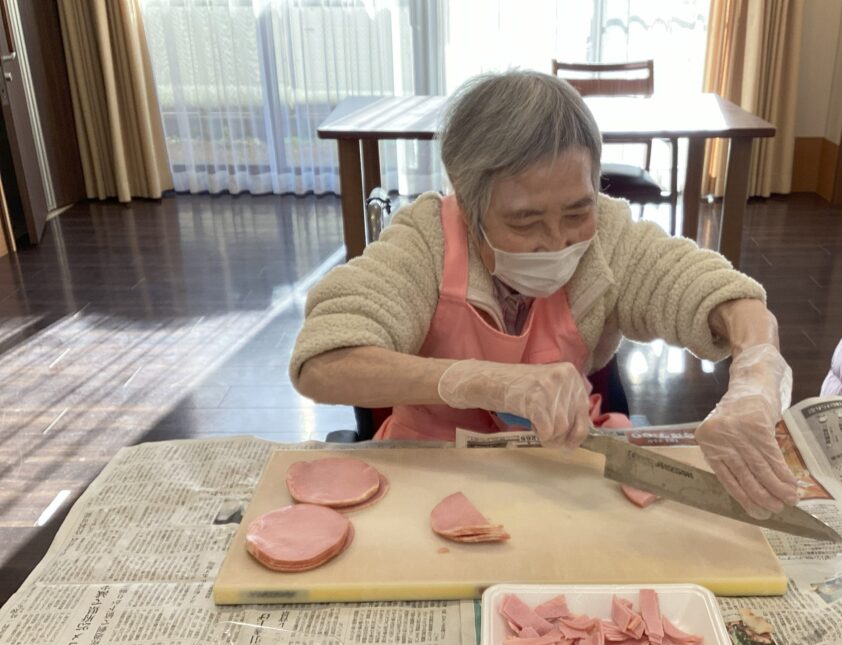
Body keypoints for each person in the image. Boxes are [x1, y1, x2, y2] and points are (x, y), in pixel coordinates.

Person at [290, 70, 798, 519]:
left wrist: (755, 372)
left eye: (577, 212)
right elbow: (323, 361)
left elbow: (717, 293)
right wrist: (480, 381)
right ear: (468, 204)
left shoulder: (610, 237)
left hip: (568, 457)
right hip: (430, 464)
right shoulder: (424, 241)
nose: (557, 242)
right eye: (525, 220)